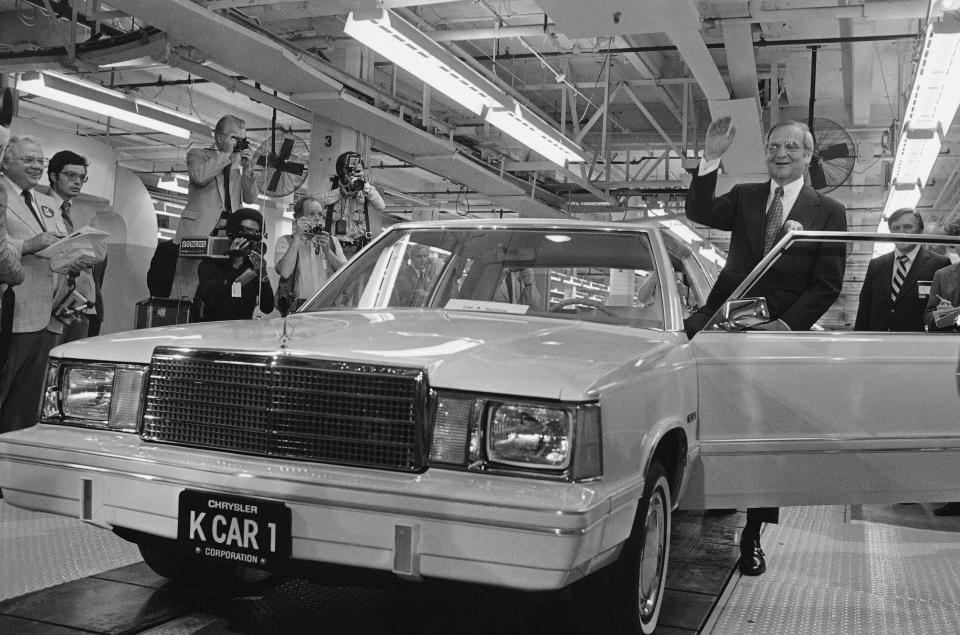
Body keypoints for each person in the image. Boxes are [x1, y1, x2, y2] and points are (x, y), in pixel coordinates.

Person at [684, 117, 848, 577]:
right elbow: (698, 210)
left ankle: (753, 532)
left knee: (762, 428)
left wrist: (785, 325)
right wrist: (711, 157)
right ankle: (713, 491)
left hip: (778, 333)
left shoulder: (828, 211)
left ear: (809, 155)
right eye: (774, 145)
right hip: (722, 320)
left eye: (791, 147)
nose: (780, 153)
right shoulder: (745, 197)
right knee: (707, 409)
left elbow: (826, 284)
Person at [0, 136, 74, 433]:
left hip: (45, 313)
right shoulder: (2, 194)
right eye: (27, 160)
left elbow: (56, 243)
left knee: (25, 402)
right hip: (11, 313)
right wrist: (28, 245)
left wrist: (73, 254)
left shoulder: (45, 202)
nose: (36, 167)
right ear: (6, 162)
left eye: (39, 161)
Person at [168, 114, 258, 299]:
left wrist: (248, 168)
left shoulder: (236, 164)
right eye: (235, 139)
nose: (239, 144)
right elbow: (200, 177)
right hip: (199, 231)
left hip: (228, 233)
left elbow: (250, 197)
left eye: (242, 140)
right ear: (220, 137)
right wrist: (225, 154)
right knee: (188, 288)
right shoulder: (198, 154)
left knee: (219, 290)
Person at [46, 150, 109, 341]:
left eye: (82, 177)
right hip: (49, 293)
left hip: (79, 298)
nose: (78, 182)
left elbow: (99, 252)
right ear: (53, 176)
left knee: (72, 352)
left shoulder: (86, 211)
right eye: (71, 175)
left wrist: (69, 255)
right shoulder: (39, 205)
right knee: (45, 354)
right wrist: (78, 250)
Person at [854, 208, 949, 332]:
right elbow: (864, 310)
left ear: (920, 231)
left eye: (908, 227)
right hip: (878, 344)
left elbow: (946, 313)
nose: (902, 232)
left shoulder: (939, 263)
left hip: (919, 345)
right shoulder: (876, 265)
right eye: (896, 228)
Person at [194, 208, 274, 321]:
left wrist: (263, 275)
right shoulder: (211, 264)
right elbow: (213, 301)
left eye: (254, 236)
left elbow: (267, 307)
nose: (247, 242)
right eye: (245, 234)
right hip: (214, 330)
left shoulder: (253, 266)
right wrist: (234, 265)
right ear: (233, 233)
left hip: (242, 332)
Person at [274, 196, 346, 315]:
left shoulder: (332, 241)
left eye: (319, 214)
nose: (317, 218)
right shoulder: (285, 241)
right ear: (298, 218)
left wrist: (328, 252)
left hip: (328, 305)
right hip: (296, 307)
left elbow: (345, 271)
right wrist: (297, 236)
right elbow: (285, 272)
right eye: (312, 214)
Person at [320, 151, 385, 258]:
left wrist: (364, 185)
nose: (351, 173)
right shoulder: (329, 185)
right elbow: (314, 201)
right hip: (330, 246)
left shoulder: (365, 188)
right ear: (341, 170)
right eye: (348, 170)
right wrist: (339, 193)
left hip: (355, 248)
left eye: (356, 171)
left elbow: (381, 206)